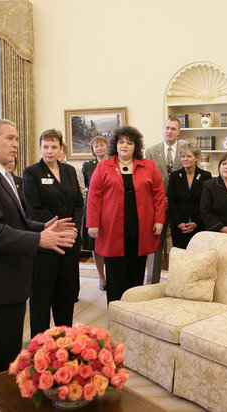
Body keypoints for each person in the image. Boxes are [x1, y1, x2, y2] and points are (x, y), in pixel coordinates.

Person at [0, 119, 76, 376]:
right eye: (10, 138)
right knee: (0, 358)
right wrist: (39, 240)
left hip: (7, 280)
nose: (16, 144)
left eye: (17, 138)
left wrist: (42, 228)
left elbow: (15, 221)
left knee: (10, 350)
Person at [86, 126, 165, 303]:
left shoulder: (148, 166)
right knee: (115, 275)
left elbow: (159, 194)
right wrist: (93, 223)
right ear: (115, 144)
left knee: (136, 275)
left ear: (135, 146)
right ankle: (115, 313)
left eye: (129, 143)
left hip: (140, 229)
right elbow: (94, 196)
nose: (125, 146)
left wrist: (159, 220)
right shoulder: (104, 167)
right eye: (121, 142)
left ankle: (133, 312)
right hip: (112, 229)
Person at [23, 129, 84, 337]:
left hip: (70, 242)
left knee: (65, 296)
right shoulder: (31, 172)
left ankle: (64, 342)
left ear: (61, 148)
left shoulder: (69, 171)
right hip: (46, 243)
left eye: (54, 147)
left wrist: (73, 228)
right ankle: (39, 345)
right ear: (40, 148)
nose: (49, 151)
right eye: (45, 147)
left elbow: (78, 203)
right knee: (41, 298)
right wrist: (60, 228)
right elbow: (35, 209)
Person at [144, 118, 183, 284]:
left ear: (179, 132)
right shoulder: (151, 152)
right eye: (167, 128)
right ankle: (152, 283)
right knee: (155, 246)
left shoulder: (186, 150)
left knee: (179, 246)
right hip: (157, 206)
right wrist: (161, 199)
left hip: (180, 206)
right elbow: (148, 180)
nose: (169, 131)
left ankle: (179, 283)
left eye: (173, 129)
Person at [167, 143, 212, 249]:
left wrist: (197, 223)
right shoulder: (174, 176)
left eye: (189, 156)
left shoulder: (206, 176)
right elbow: (171, 200)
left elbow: (207, 203)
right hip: (179, 226)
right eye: (183, 156)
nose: (185, 159)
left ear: (196, 158)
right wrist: (178, 223)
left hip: (199, 226)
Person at [81, 136, 109, 291]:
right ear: (92, 150)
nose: (99, 148)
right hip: (93, 210)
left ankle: (112, 274)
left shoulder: (115, 163)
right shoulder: (88, 166)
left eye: (102, 145)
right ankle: (101, 277)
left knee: (110, 243)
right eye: (96, 146)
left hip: (110, 210)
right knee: (96, 245)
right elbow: (84, 190)